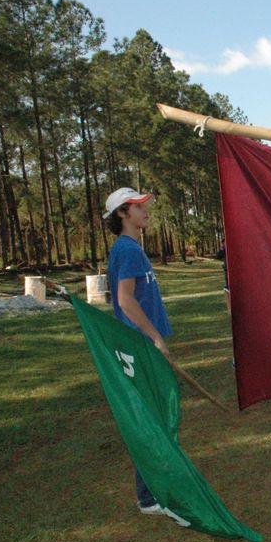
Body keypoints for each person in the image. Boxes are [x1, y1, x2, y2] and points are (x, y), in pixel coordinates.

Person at [104, 187, 180, 521]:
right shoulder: (128, 249)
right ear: (122, 213)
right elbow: (125, 300)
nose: (146, 210)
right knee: (149, 419)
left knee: (152, 417)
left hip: (139, 345)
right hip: (140, 346)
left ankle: (153, 489)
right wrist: (154, 337)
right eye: (138, 207)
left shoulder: (129, 248)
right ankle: (149, 497)